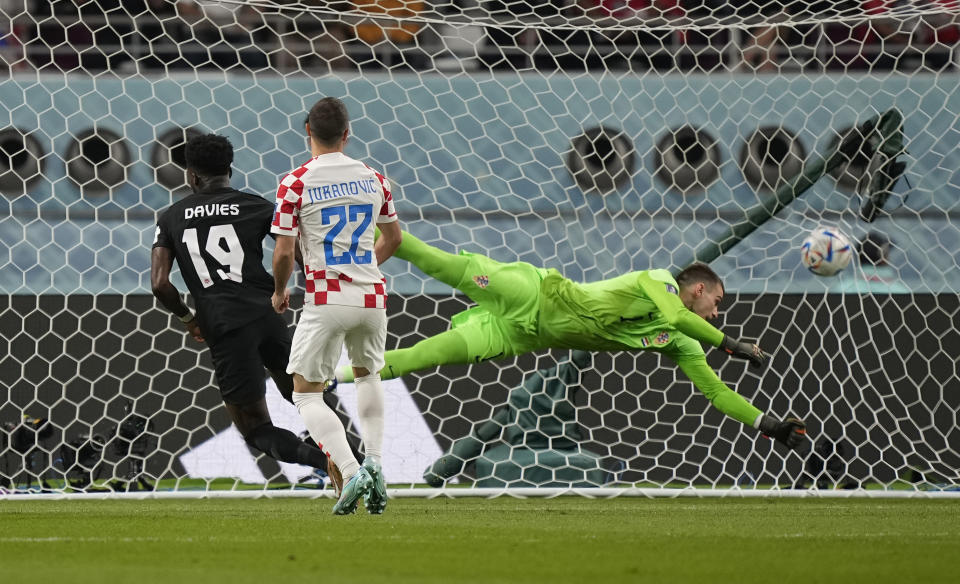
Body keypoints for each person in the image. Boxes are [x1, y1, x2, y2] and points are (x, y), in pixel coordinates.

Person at [336, 230, 807, 452]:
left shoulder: (680, 341)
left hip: (522, 334)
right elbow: (673, 314)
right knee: (434, 261)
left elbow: (715, 392)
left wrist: (766, 423)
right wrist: (730, 343)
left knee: (418, 358)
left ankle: (318, 378)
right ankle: (371, 220)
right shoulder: (659, 281)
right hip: (537, 292)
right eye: (717, 302)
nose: (717, 312)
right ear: (698, 289)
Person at [151, 133, 354, 494]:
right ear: (229, 170)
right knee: (307, 398)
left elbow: (160, 284)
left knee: (255, 428)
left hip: (223, 326)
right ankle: (356, 465)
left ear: (191, 176)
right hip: (266, 316)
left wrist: (188, 318)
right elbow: (293, 253)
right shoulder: (256, 206)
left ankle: (324, 463)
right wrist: (292, 291)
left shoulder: (171, 218)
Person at [271, 97, 402, 515]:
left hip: (327, 298)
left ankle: (351, 468)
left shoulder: (295, 182)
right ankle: (378, 465)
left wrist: (279, 291)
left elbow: (284, 254)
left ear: (306, 130)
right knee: (368, 378)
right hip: (372, 298)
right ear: (348, 134)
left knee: (306, 395)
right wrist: (362, 268)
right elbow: (394, 238)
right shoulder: (375, 179)